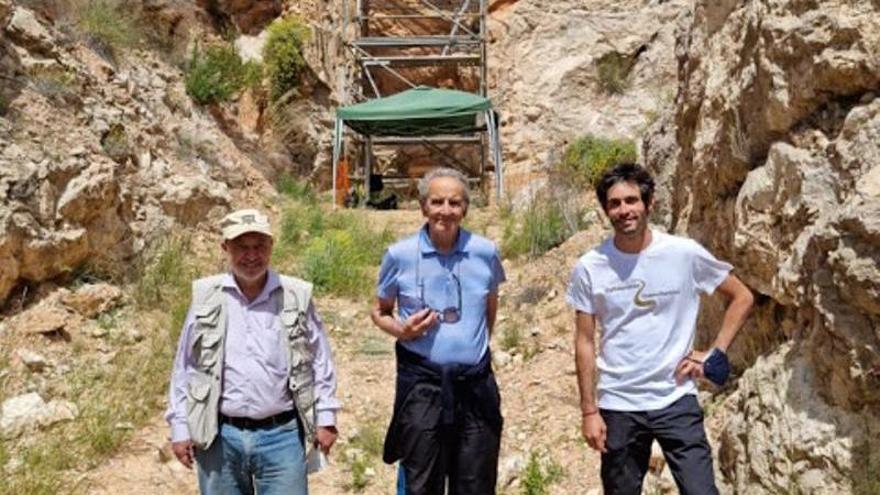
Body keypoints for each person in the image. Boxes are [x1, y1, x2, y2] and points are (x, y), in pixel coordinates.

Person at [567, 163, 754, 495]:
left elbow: (741, 297)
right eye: (615, 203)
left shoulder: (683, 254)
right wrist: (589, 411)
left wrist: (714, 353)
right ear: (606, 210)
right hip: (619, 403)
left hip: (676, 397)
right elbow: (584, 341)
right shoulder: (590, 267)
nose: (624, 210)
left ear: (648, 203)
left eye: (632, 200)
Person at [165, 208, 340, 495]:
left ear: (271, 247)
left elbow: (320, 360)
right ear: (225, 248)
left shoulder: (295, 295)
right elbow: (185, 366)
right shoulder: (206, 297)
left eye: (259, 246)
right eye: (241, 247)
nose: (251, 255)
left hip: (282, 435)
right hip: (219, 436)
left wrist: (327, 418)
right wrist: (180, 427)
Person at [371, 168, 506, 495]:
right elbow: (379, 311)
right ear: (423, 207)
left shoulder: (485, 252)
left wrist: (468, 349)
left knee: (476, 481)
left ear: (465, 209)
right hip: (422, 386)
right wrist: (401, 331)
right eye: (437, 202)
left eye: (455, 202)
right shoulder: (399, 255)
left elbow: (489, 310)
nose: (446, 210)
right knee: (422, 481)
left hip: (475, 385)